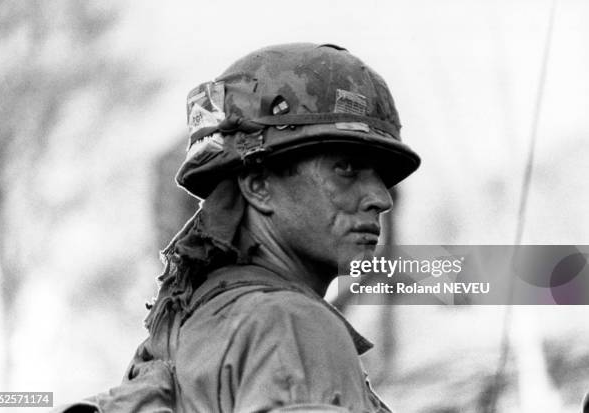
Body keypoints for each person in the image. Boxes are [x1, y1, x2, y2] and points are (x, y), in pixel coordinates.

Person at [53, 42, 420, 413]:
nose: (381, 198)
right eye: (347, 169)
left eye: (382, 177)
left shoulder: (189, 333)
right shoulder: (291, 324)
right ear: (258, 185)